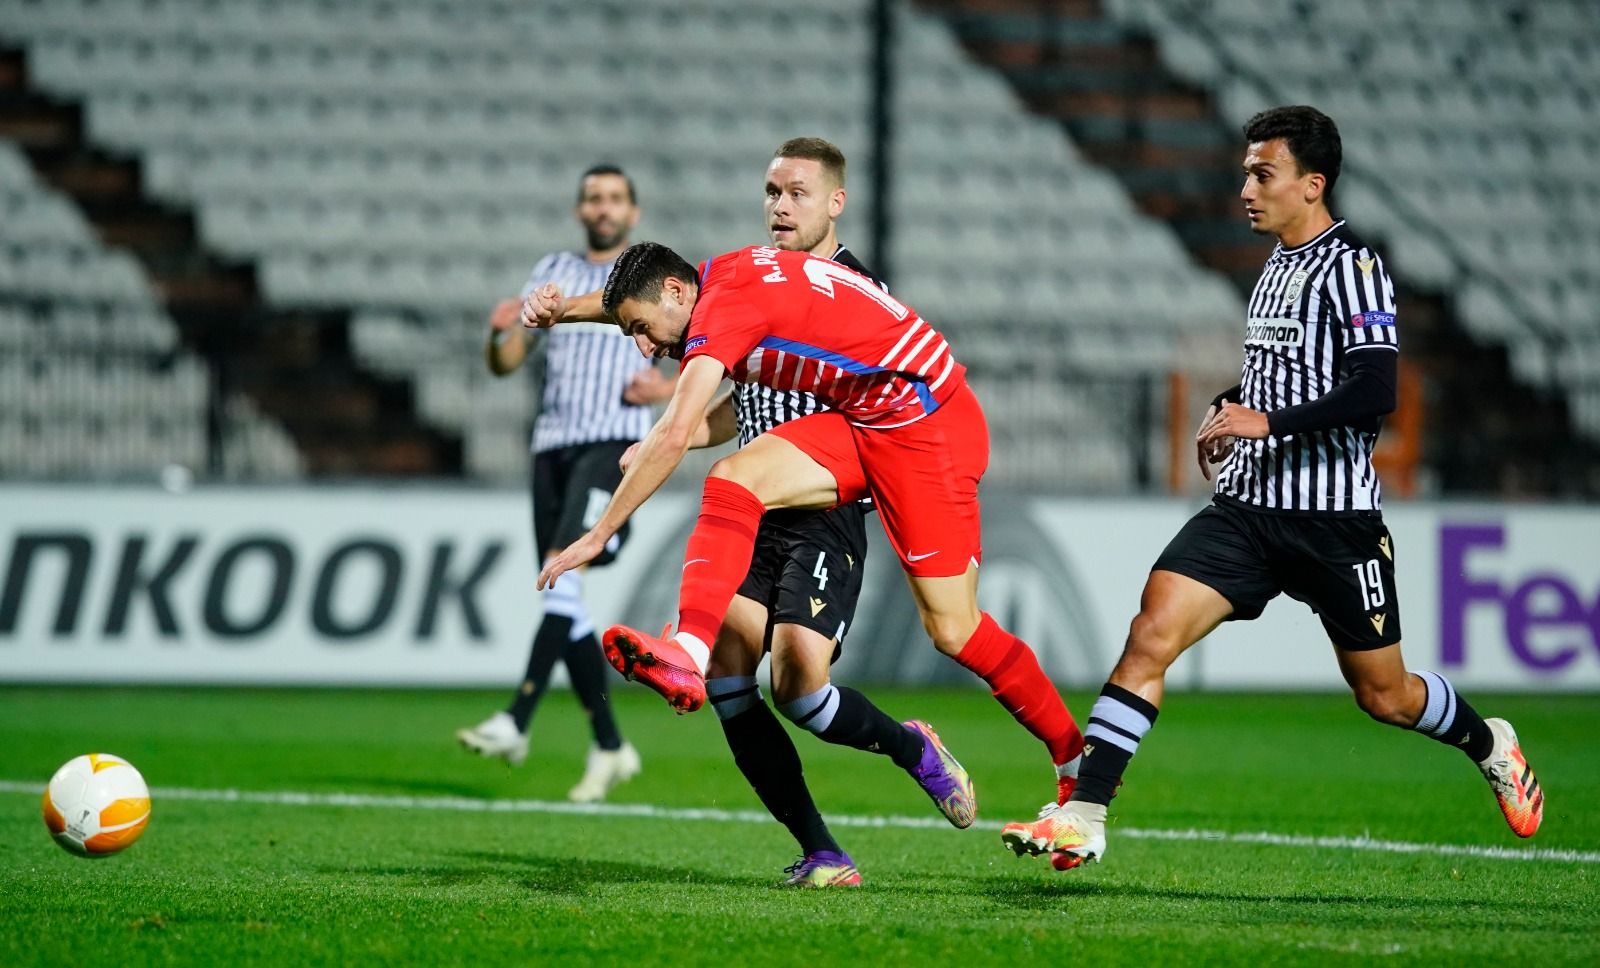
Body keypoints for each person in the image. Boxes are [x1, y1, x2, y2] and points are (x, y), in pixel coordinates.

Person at [999, 105, 1544, 872]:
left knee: (1385, 695)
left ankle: (1489, 741)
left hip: (1333, 522)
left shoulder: (1354, 267)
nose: (1246, 189)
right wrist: (1230, 406)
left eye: (1263, 174)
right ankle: (1084, 815)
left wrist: (1268, 421)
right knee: (1151, 633)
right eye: (1246, 173)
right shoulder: (1276, 267)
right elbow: (1281, 377)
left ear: (1312, 184)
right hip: (1247, 511)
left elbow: (1375, 390)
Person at [524, 240, 1087, 848]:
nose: (644, 347)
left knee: (954, 630)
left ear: (677, 292)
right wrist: (566, 311)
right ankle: (689, 650)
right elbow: (640, 301)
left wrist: (598, 534)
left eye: (640, 329)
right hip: (863, 420)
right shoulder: (714, 277)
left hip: (926, 428)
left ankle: (1075, 763)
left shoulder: (722, 308)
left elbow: (676, 429)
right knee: (733, 480)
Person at [551, 138, 979, 888]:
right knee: (727, 676)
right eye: (771, 193)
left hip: (823, 506)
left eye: (795, 194)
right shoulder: (748, 284)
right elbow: (735, 404)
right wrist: (672, 426)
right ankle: (823, 851)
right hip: (752, 509)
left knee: (800, 690)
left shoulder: (853, 291)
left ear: (833, 204)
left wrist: (629, 490)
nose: (779, 207)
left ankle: (912, 748)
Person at [455, 164, 673, 802]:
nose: (603, 207)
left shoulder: (647, 277)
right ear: (580, 210)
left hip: (612, 445)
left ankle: (517, 718)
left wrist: (662, 389)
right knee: (563, 593)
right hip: (552, 445)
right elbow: (507, 362)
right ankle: (609, 745)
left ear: (632, 212)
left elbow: (694, 347)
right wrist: (499, 332)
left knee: (561, 575)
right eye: (593, 198)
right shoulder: (553, 270)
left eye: (614, 198)